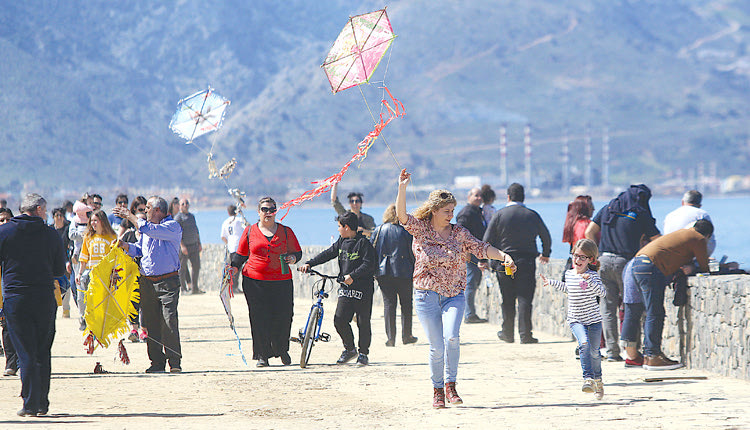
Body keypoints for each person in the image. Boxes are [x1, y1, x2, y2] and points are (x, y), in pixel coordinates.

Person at [395, 169, 516, 408]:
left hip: (454, 295)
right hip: (426, 295)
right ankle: (437, 390)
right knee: (436, 345)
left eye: (452, 210)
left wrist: (504, 256)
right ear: (434, 211)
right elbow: (401, 216)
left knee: (451, 337)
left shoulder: (460, 233)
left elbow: (481, 248)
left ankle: (451, 386)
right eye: (447, 211)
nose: (451, 215)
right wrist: (402, 187)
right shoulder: (421, 229)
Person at [0, 194, 66, 416]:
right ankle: (41, 403)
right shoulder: (50, 234)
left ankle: (29, 403)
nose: (46, 214)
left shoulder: (4, 232)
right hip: (43, 297)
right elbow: (59, 270)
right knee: (42, 351)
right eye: (45, 210)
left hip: (16, 297)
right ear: (38, 209)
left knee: (25, 351)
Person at [585, 185, 660, 361]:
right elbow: (658, 240)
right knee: (632, 307)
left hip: (603, 261)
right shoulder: (640, 213)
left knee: (607, 308)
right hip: (626, 264)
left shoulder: (608, 209)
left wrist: (595, 255)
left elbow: (589, 232)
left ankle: (612, 351)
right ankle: (632, 351)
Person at [631, 219, 713, 370]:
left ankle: (650, 355)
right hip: (651, 267)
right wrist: (696, 266)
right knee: (655, 312)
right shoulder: (698, 238)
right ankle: (653, 356)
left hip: (638, 264)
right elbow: (704, 267)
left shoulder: (684, 233)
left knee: (651, 312)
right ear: (707, 235)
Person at [114, 196, 184, 373]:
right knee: (151, 324)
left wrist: (130, 216)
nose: (145, 211)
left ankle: (174, 362)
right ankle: (157, 362)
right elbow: (141, 250)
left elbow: (150, 230)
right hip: (147, 282)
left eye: (148, 208)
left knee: (169, 321)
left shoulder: (172, 227)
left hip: (168, 282)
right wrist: (124, 245)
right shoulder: (147, 228)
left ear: (158, 210)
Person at [231, 197, 302, 367]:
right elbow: (240, 255)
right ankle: (262, 355)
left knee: (284, 317)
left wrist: (293, 258)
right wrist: (233, 268)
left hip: (281, 281)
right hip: (254, 281)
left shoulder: (286, 231)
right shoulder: (250, 231)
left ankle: (281, 350)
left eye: (272, 210)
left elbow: (297, 253)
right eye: (265, 209)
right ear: (258, 212)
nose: (268, 213)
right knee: (259, 318)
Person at [300, 211, 376, 367]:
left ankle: (363, 354)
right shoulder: (341, 242)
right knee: (339, 320)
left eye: (339, 226)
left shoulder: (364, 243)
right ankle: (350, 349)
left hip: (363, 289)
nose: (338, 229)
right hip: (346, 289)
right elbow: (328, 254)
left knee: (363, 322)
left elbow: (369, 264)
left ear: (346, 227)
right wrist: (310, 263)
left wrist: (353, 276)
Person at [483, 182, 551, 344]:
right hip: (526, 262)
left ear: (508, 196)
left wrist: (483, 260)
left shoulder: (499, 215)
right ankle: (525, 334)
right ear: (523, 197)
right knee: (525, 298)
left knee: (507, 298)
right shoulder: (532, 215)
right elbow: (546, 236)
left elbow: (487, 240)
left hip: (504, 263)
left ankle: (507, 333)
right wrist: (546, 254)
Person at [541, 239, 606, 400]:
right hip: (576, 319)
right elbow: (567, 289)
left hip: (594, 321)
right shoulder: (569, 274)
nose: (577, 260)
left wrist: (589, 281)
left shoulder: (592, 276)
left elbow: (602, 293)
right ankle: (588, 379)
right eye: (575, 256)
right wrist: (551, 282)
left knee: (595, 353)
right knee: (583, 344)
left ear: (591, 260)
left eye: (582, 257)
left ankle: (598, 381)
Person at [371, 204, 418, 347]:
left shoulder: (379, 230)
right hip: (404, 271)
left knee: (389, 305)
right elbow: (413, 252)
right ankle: (407, 335)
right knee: (406, 304)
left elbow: (372, 251)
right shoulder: (406, 231)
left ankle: (391, 338)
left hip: (384, 272)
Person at [76, 210, 118, 331]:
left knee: (104, 300)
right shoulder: (88, 237)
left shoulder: (112, 237)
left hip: (105, 274)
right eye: (92, 221)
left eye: (95, 220)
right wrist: (79, 274)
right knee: (90, 299)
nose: (93, 223)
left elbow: (115, 257)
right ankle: (91, 324)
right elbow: (84, 257)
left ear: (102, 221)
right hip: (91, 273)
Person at [456, 187, 487, 324]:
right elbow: (459, 233)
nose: (479, 198)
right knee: (471, 282)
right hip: (471, 253)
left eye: (480, 195)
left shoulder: (478, 212)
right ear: (469, 197)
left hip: (478, 252)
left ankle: (470, 313)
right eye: (476, 195)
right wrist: (465, 251)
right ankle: (469, 314)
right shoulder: (466, 213)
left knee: (474, 281)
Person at [119, 196, 148, 342]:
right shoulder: (128, 235)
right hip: (130, 275)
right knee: (133, 302)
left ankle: (144, 330)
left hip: (146, 274)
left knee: (146, 303)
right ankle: (134, 329)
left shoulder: (150, 236)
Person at [663, 190, 715, 256]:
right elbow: (710, 240)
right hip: (689, 257)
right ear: (699, 205)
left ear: (682, 202)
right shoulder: (702, 214)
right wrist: (705, 258)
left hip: (669, 254)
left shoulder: (669, 215)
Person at [0, 208, 19, 377]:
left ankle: (13, 363)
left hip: (11, 287)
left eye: (7, 220)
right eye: (1, 220)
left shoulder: (17, 239)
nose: (4, 223)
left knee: (10, 325)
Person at [174, 198, 204, 294]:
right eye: (183, 203)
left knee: (196, 266)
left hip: (194, 245)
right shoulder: (178, 218)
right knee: (182, 269)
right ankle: (183, 289)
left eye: (187, 203)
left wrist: (199, 243)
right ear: (179, 206)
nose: (185, 205)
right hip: (184, 247)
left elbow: (196, 230)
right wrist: (182, 246)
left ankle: (195, 288)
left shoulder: (192, 216)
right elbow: (177, 234)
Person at [619, 258, 645, 367]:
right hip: (633, 265)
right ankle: (634, 356)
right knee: (633, 312)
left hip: (629, 267)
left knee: (628, 311)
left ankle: (628, 354)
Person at [50, 208, 73, 318]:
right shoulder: (49, 229)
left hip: (65, 260)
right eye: (57, 215)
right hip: (52, 261)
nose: (59, 217)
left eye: (61, 215)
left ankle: (66, 309)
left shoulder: (67, 230)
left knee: (67, 285)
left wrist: (68, 261)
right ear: (53, 217)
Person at [221, 204, 245, 294]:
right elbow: (247, 228)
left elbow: (223, 236)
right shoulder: (238, 220)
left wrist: (228, 243)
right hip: (239, 246)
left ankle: (232, 286)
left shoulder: (226, 222)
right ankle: (234, 287)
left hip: (231, 247)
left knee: (233, 267)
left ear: (228, 212)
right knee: (237, 268)